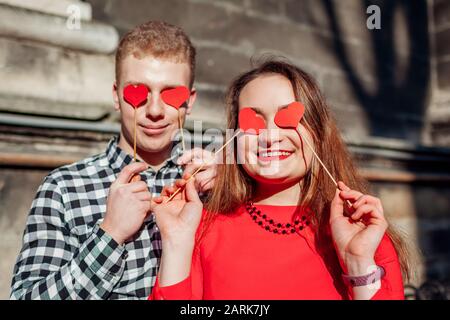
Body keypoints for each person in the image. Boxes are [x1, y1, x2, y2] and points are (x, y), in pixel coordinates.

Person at [148, 60, 410, 300]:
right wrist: (176, 242)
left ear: (318, 132)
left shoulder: (362, 233)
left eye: (288, 118)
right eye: (254, 121)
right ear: (235, 136)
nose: (270, 137)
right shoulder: (202, 229)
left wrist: (358, 262)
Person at [10, 21, 216, 300]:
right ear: (116, 97)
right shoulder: (64, 188)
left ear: (189, 102)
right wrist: (109, 234)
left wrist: (234, 185)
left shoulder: (213, 181)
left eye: (171, 94)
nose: (155, 110)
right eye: (138, 93)